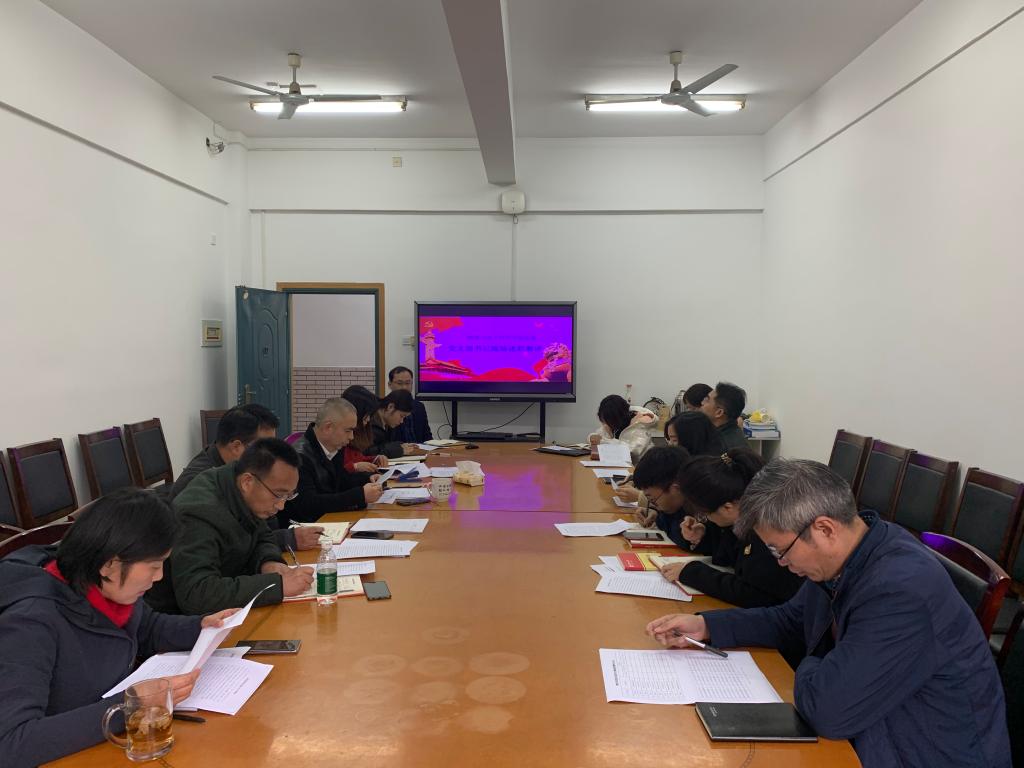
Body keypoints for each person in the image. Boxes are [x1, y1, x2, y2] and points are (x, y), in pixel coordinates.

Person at [647, 459, 1011, 768]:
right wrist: (705, 625)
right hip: (877, 727)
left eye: (779, 550)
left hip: (920, 751)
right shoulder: (851, 555)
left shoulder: (900, 590)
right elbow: (791, 621)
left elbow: (829, 711)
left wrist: (817, 660)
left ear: (824, 529)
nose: (782, 563)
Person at [0, 489, 237, 767]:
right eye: (154, 566)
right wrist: (130, 706)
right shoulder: (30, 623)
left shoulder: (106, 588)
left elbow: (147, 628)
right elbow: (12, 743)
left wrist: (202, 626)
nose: (159, 577)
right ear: (109, 564)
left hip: (113, 744)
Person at [145, 439, 314, 615]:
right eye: (279, 495)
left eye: (288, 496)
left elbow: (263, 535)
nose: (281, 506)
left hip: (227, 608)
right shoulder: (199, 512)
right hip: (180, 620)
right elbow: (197, 594)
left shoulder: (244, 491)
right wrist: (276, 586)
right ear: (247, 482)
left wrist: (268, 562)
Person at [661, 449, 804, 609]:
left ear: (727, 507)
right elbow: (727, 557)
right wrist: (703, 535)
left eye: (706, 513)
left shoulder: (766, 532)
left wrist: (692, 573)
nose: (707, 519)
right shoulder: (743, 518)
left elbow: (755, 594)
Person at [168, 407, 321, 550]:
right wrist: (286, 539)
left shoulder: (243, 472)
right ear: (236, 447)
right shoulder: (197, 485)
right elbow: (228, 546)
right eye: (264, 447)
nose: (272, 456)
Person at [282, 398, 384, 527]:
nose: (351, 437)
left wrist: (367, 479)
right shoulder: (299, 457)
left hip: (329, 520)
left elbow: (340, 480)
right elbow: (308, 504)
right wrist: (360, 495)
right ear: (328, 427)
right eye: (348, 430)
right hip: (305, 527)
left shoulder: (333, 446)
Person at [628, 446, 691, 543]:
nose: (653, 504)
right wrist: (657, 515)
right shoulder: (675, 507)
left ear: (676, 489)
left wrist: (661, 519)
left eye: (653, 500)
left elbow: (681, 538)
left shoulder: (700, 512)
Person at [341, 385, 390, 473]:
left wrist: (374, 459)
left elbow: (358, 458)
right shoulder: (340, 438)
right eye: (366, 416)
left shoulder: (359, 433)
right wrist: (355, 467)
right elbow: (336, 471)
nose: (368, 420)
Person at [594, 394, 658, 461]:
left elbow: (633, 451)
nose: (606, 424)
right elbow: (597, 435)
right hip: (621, 463)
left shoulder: (641, 423)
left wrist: (604, 441)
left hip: (640, 464)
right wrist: (593, 438)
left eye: (607, 421)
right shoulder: (617, 423)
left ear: (615, 418)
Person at [387, 366, 434, 444]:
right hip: (397, 450)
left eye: (408, 383)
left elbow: (427, 436)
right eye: (399, 383)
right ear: (389, 384)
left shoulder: (419, 406)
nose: (404, 387)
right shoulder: (385, 408)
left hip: (419, 449)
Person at [368, 389, 417, 458]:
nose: (401, 421)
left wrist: (400, 446)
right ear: (390, 407)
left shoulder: (386, 423)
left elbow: (383, 445)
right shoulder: (369, 423)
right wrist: (399, 450)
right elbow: (368, 452)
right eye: (401, 416)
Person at [700, 381, 749, 450]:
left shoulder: (719, 446)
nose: (702, 403)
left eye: (707, 400)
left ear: (719, 412)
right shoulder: (730, 432)